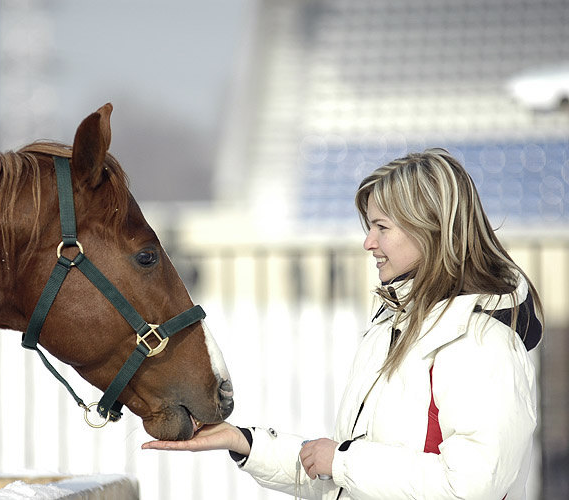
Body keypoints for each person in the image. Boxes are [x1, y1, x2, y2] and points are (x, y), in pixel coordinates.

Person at [142, 148, 543, 499]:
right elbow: (350, 480)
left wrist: (343, 461)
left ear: (431, 229)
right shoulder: (392, 326)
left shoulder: (481, 340)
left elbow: (472, 486)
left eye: (381, 227)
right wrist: (245, 443)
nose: (368, 242)